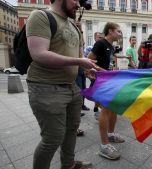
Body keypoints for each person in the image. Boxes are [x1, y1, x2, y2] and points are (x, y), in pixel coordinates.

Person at [26, 0, 99, 168]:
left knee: (71, 130)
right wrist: (78, 60)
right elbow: (39, 54)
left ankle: (68, 165)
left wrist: (88, 68)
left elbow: (78, 57)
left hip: (71, 87)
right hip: (46, 87)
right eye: (76, 0)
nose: (78, 4)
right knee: (52, 138)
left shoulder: (73, 26)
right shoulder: (41, 16)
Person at [87, 22, 125, 160]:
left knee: (113, 107)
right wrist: (100, 71)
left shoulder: (110, 46)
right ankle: (104, 146)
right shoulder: (100, 44)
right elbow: (88, 61)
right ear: (110, 31)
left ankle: (110, 134)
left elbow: (109, 62)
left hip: (109, 80)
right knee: (106, 110)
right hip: (101, 81)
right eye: (118, 31)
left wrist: (112, 71)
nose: (120, 34)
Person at [83, 32, 104, 117]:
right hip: (94, 74)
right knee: (95, 92)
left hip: (102, 73)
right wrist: (88, 72)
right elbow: (85, 60)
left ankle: (96, 108)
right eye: (99, 37)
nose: (101, 39)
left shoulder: (105, 48)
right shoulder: (90, 48)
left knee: (99, 92)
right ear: (95, 38)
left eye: (102, 38)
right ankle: (100, 110)